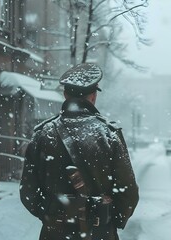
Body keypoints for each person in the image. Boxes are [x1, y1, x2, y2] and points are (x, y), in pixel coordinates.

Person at [20, 63, 139, 240]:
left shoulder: (43, 134)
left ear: (65, 94)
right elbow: (128, 193)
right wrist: (107, 220)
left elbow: (28, 191)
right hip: (100, 234)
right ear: (93, 96)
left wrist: (53, 216)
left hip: (55, 234)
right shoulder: (109, 135)